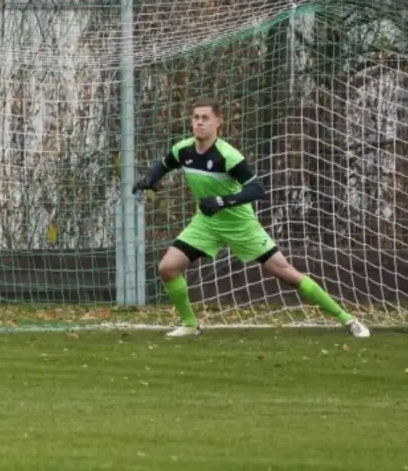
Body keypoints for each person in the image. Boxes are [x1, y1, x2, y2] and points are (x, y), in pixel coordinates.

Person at [132, 99, 371, 339]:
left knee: (287, 273)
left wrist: (222, 201)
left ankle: (348, 320)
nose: (199, 123)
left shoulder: (228, 156)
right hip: (206, 223)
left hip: (241, 226)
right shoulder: (183, 150)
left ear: (218, 123)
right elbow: (163, 165)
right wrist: (149, 178)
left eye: (205, 118)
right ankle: (190, 324)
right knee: (168, 268)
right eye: (196, 118)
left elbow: (257, 189)